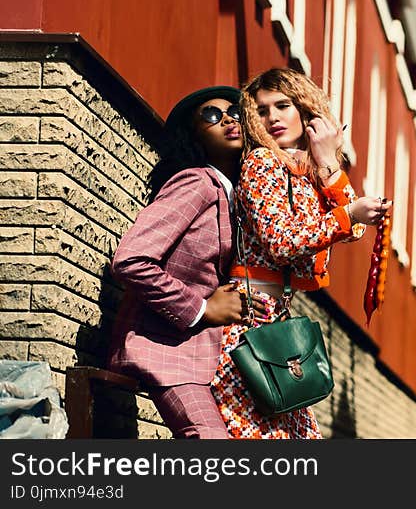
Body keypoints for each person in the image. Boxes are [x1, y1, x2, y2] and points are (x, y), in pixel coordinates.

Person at [211, 66, 390, 439]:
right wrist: (347, 214)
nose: (273, 117)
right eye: (261, 110)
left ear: (305, 112)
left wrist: (327, 160)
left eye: (282, 105)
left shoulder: (304, 171)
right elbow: (281, 241)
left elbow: (354, 229)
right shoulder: (261, 163)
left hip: (278, 316)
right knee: (255, 435)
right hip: (247, 316)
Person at [108, 86, 268, 439]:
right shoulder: (196, 183)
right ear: (194, 133)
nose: (228, 119)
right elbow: (131, 259)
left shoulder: (237, 196)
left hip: (213, 361)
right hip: (166, 353)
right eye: (211, 115)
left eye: (236, 112)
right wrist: (201, 309)